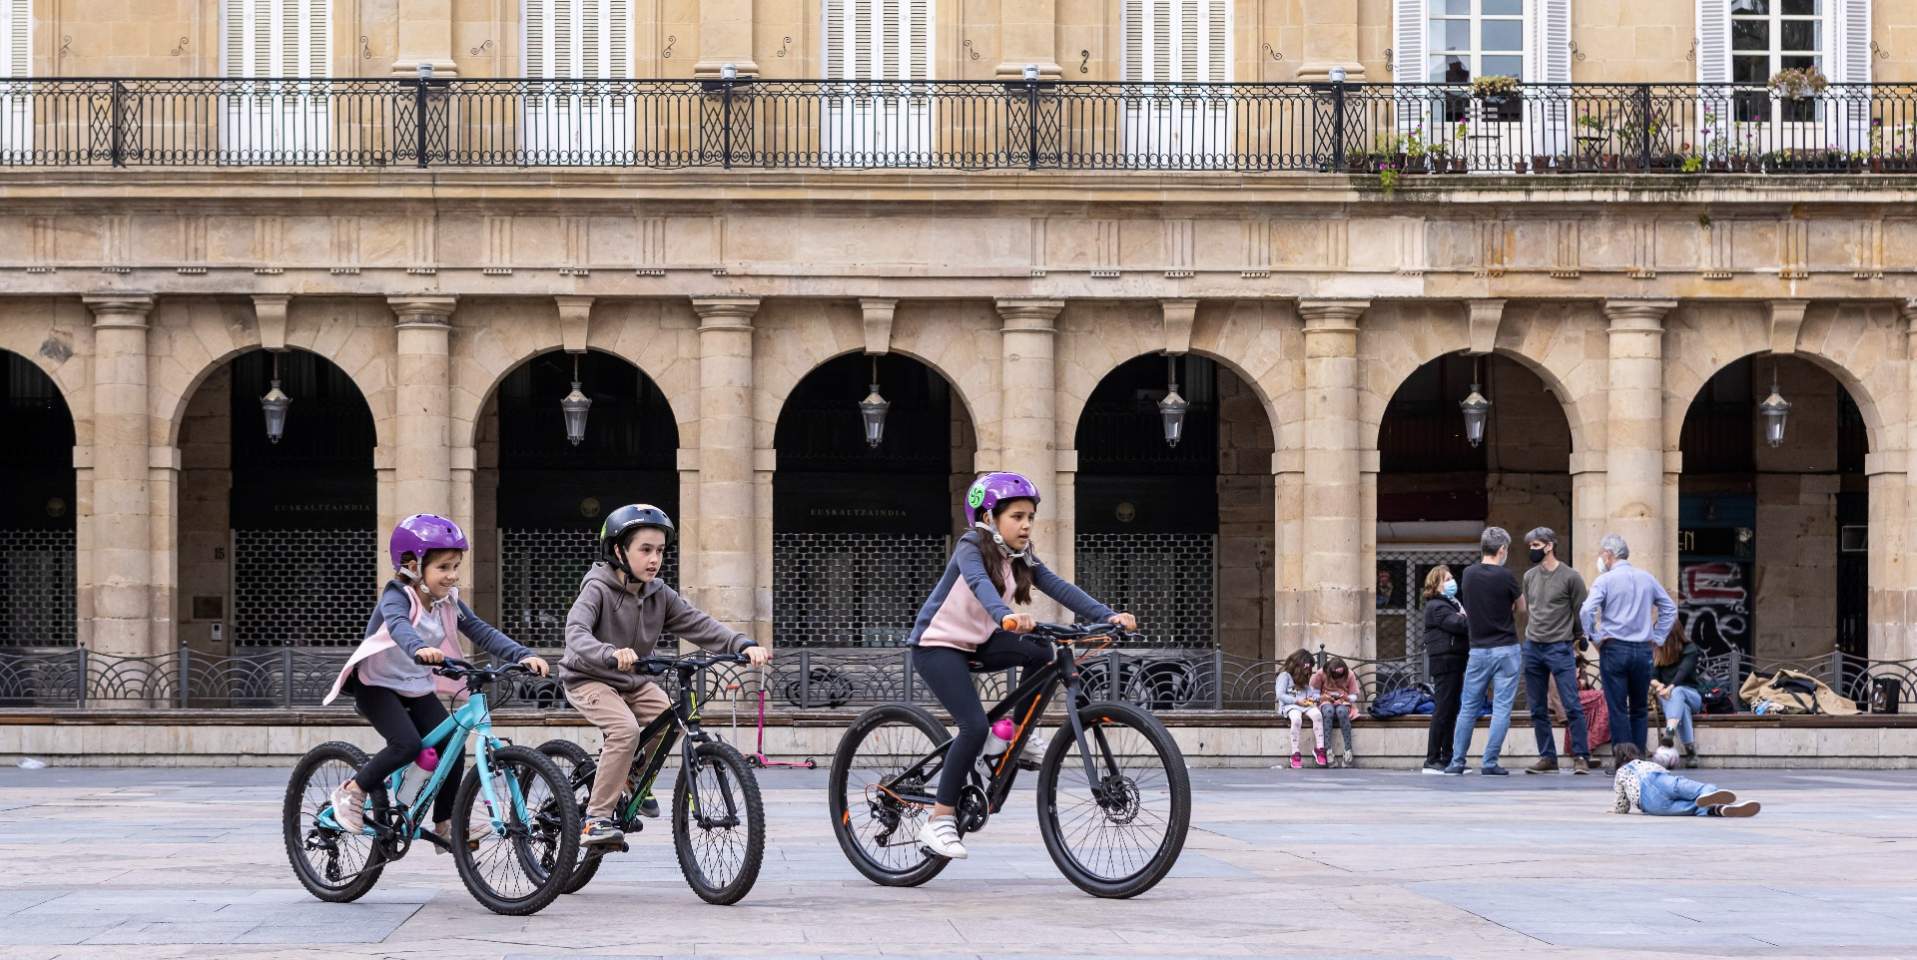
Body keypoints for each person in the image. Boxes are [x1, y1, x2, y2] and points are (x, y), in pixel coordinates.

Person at [906, 473, 1135, 860]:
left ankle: (1017, 733)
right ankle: (939, 819)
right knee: (974, 726)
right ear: (989, 518)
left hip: (977, 641)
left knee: (1042, 651)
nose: (1027, 525)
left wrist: (1108, 615)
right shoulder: (970, 546)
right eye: (1017, 516)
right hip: (937, 645)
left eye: (1030, 516)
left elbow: (1059, 586)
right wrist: (1005, 615)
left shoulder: (1020, 556)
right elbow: (978, 583)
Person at [321, 514, 551, 845]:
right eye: (443, 567)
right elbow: (398, 624)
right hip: (376, 686)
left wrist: (522, 655)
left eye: (456, 566)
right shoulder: (398, 595)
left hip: (414, 686)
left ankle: (446, 823)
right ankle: (352, 790)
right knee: (406, 744)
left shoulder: (448, 601)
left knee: (451, 746)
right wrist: (419, 648)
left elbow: (480, 630)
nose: (453, 575)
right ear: (413, 566)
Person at [559, 504, 771, 847]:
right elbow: (576, 633)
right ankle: (595, 819)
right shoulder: (596, 588)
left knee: (672, 718)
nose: (654, 559)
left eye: (659, 550)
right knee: (625, 731)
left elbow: (699, 624)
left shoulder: (658, 594)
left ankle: (631, 777)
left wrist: (742, 644)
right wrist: (609, 653)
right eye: (645, 550)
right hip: (588, 677)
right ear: (618, 551)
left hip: (633, 680)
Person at [1579, 534, 1679, 767]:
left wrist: (1595, 637)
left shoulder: (1605, 580)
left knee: (1617, 708)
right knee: (1639, 708)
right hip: (1643, 649)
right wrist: (1658, 637)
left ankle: (1624, 761)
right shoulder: (1647, 578)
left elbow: (1586, 611)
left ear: (1608, 554)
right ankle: (1639, 759)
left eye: (1601, 554)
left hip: (1614, 648)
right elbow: (1669, 608)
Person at [1444, 527, 1524, 776]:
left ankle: (1457, 761)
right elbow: (1522, 607)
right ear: (1502, 549)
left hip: (1478, 649)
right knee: (1501, 708)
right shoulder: (1506, 576)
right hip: (1506, 648)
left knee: (1468, 707)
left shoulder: (1468, 574)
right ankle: (1489, 762)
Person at [1519, 527, 1592, 775]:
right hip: (1532, 646)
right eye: (1530, 546)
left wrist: (1580, 637)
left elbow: (1580, 610)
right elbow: (1531, 608)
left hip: (1560, 647)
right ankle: (1547, 757)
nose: (1532, 550)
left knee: (1571, 704)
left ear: (1549, 546)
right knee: (1537, 707)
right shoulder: (1529, 576)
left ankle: (1581, 755)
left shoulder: (1571, 577)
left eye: (1536, 545)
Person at [1611, 743, 1758, 817]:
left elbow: (1622, 806)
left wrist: (1615, 810)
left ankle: (1718, 809)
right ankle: (1706, 795)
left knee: (1691, 808)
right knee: (1698, 789)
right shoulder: (1645, 764)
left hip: (1650, 803)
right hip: (1658, 779)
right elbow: (1665, 773)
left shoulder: (1620, 773)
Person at [1420, 565, 1470, 774]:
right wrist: (1471, 617)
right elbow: (1459, 625)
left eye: (1451, 578)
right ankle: (1432, 759)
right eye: (1447, 579)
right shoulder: (1437, 606)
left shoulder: (1451, 603)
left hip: (1454, 661)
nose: (1452, 582)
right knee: (1443, 710)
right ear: (1436, 584)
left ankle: (1448, 756)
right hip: (1445, 662)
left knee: (1451, 710)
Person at [1652, 622, 1704, 766]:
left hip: (1692, 696)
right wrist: (1659, 686)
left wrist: (1669, 688)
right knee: (1683, 708)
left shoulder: (1690, 649)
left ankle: (1669, 732)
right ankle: (1691, 752)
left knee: (1677, 691)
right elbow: (1652, 677)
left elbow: (1683, 672)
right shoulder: (1658, 651)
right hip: (1668, 698)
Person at [1276, 649, 1326, 769]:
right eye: (1307, 668)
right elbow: (1280, 695)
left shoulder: (1304, 677)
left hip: (1304, 704)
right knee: (1296, 719)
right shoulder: (1285, 676)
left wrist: (1317, 698)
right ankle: (1295, 753)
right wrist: (1296, 701)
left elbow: (1309, 692)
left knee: (1318, 715)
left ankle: (1320, 749)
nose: (1308, 671)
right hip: (1290, 705)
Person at [1310, 656, 1362, 768]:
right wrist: (1322, 697)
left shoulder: (1350, 674)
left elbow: (1354, 696)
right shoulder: (1321, 674)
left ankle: (1348, 750)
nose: (1337, 679)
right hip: (1325, 702)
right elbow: (1313, 694)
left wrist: (1347, 697)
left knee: (1342, 712)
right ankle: (1327, 750)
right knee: (1328, 711)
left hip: (1343, 702)